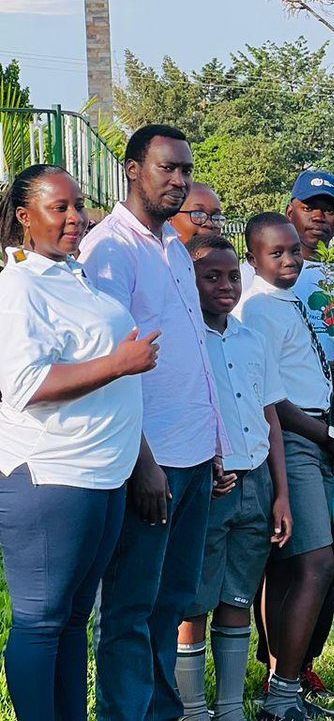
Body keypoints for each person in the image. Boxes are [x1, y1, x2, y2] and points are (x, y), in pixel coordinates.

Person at [81, 124, 229, 721]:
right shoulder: (110, 250)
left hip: (194, 455)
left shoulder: (173, 243)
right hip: (151, 462)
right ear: (133, 169)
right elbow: (111, 361)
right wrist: (144, 465)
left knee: (172, 603)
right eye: (167, 168)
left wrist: (217, 441)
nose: (179, 180)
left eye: (185, 170)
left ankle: (161, 712)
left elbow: (193, 350)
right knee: (131, 609)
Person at [0, 165, 157, 721]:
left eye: (79, 205)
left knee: (71, 619)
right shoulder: (18, 286)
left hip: (103, 471)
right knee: (42, 620)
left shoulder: (74, 274)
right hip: (52, 474)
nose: (76, 218)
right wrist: (118, 364)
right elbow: (26, 385)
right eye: (59, 208)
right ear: (24, 217)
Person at [234, 213, 334, 721]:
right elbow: (274, 399)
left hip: (314, 434)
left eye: (294, 251)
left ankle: (284, 689)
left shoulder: (285, 300)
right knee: (315, 565)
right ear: (253, 259)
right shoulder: (260, 309)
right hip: (294, 441)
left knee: (299, 567)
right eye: (276, 253)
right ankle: (283, 692)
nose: (290, 259)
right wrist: (332, 436)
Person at [175, 234, 293, 721]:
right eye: (212, 277)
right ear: (190, 281)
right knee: (195, 601)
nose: (225, 286)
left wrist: (281, 494)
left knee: (238, 595)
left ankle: (228, 708)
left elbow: (271, 418)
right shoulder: (184, 340)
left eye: (232, 277)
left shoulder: (252, 339)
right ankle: (191, 707)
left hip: (257, 485)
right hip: (210, 486)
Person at [281, 170, 334, 700]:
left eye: (329, 207)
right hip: (288, 422)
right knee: (286, 545)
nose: (320, 216)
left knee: (329, 543)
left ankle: (306, 658)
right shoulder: (262, 276)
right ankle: (275, 661)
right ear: (290, 208)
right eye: (310, 205)